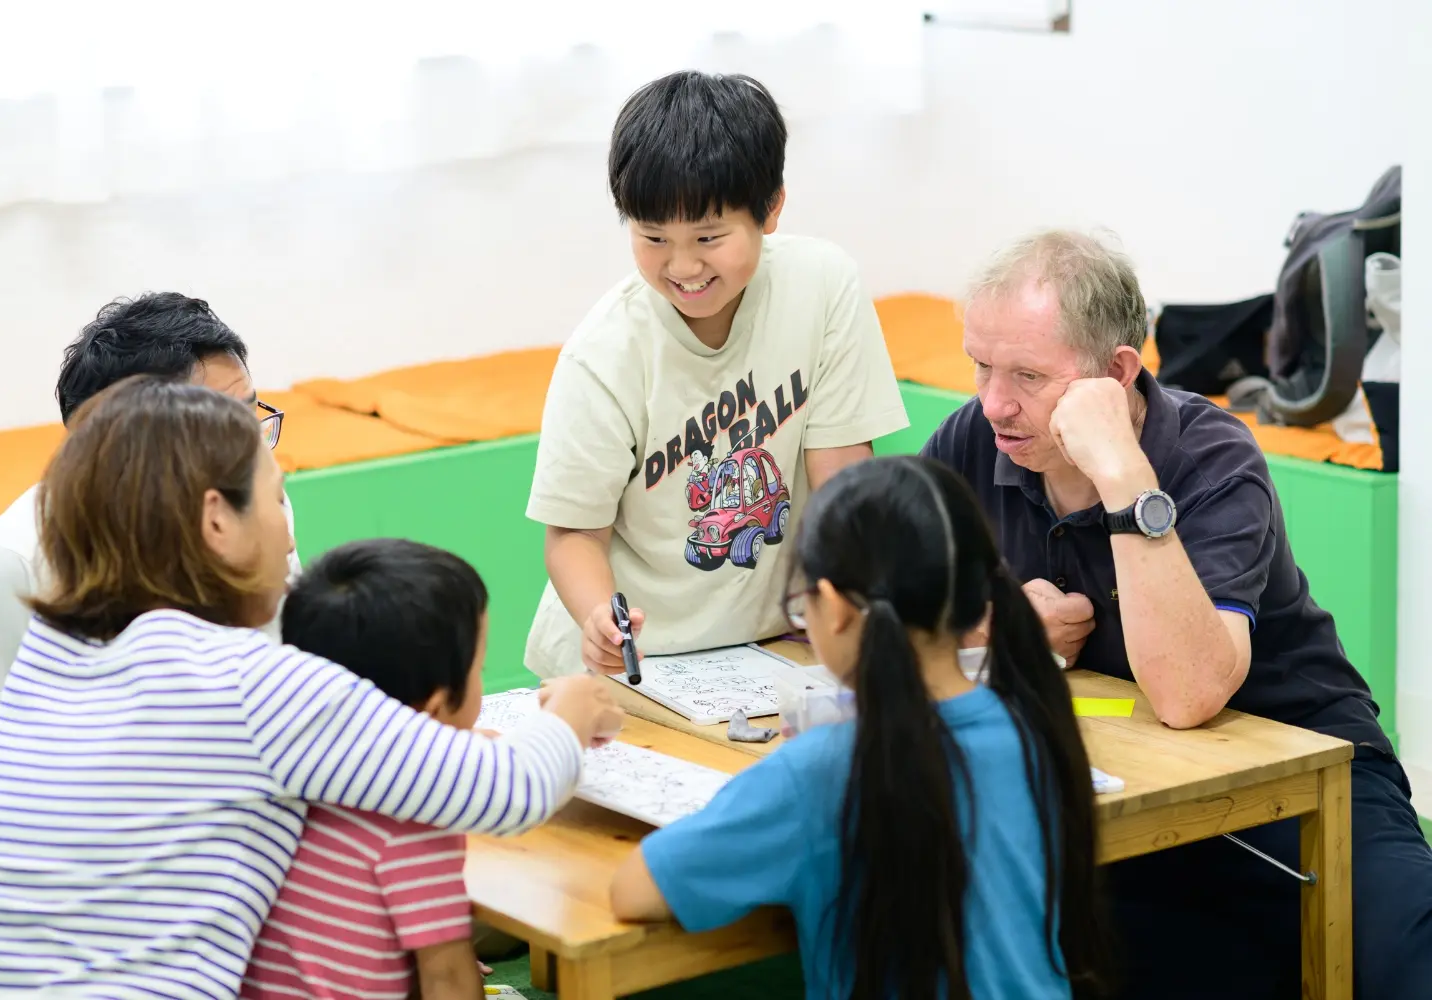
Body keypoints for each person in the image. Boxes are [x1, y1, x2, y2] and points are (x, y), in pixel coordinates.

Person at [0, 376, 622, 998]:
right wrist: (569, 712)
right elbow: (506, 791)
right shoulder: (246, 681)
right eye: (277, 498)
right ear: (215, 520)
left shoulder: (54, 651)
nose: (290, 538)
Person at [922, 229, 1432, 999]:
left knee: (1406, 962)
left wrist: (1123, 471)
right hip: (1119, 785)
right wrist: (991, 626)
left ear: (1117, 373)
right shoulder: (974, 438)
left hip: (1304, 772)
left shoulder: (1212, 456)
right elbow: (883, 607)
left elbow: (1191, 694)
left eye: (1027, 374)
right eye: (981, 366)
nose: (994, 402)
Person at [609, 455, 1111, 999]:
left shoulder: (821, 769)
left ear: (833, 607)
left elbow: (634, 892)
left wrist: (796, 773)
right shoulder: (1031, 726)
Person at [0, 292, 302, 978]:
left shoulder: (247, 499)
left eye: (253, 416)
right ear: (129, 439)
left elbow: (285, 705)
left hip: (199, 827)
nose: (250, 449)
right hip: (28, 870)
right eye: (221, 424)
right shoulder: (17, 565)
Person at [523, 70, 909, 679]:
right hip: (635, 667)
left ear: (771, 208)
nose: (682, 266)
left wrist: (850, 615)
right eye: (653, 237)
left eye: (708, 236)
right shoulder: (604, 354)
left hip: (777, 649)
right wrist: (602, 618)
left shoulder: (823, 286)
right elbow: (574, 536)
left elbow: (841, 488)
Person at [241, 539, 499, 1000]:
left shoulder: (284, 770)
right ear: (436, 709)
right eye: (480, 666)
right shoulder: (418, 816)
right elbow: (448, 979)